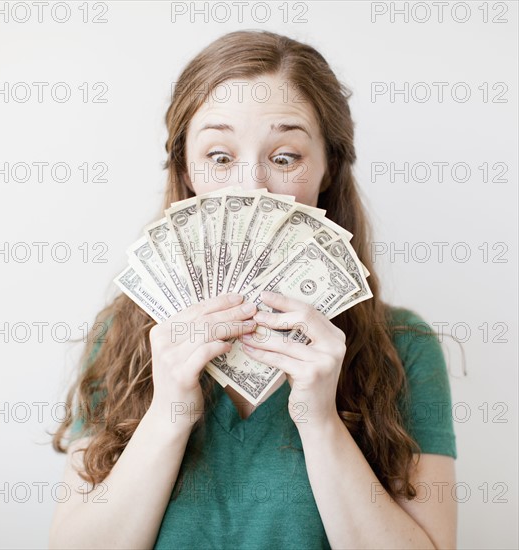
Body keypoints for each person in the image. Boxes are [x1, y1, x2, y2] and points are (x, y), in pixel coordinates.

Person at [49, 30, 457, 549]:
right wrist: (170, 411)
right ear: (185, 170)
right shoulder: (122, 336)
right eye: (220, 155)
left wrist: (321, 423)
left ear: (328, 168)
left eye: (285, 157)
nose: (251, 186)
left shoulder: (405, 345)